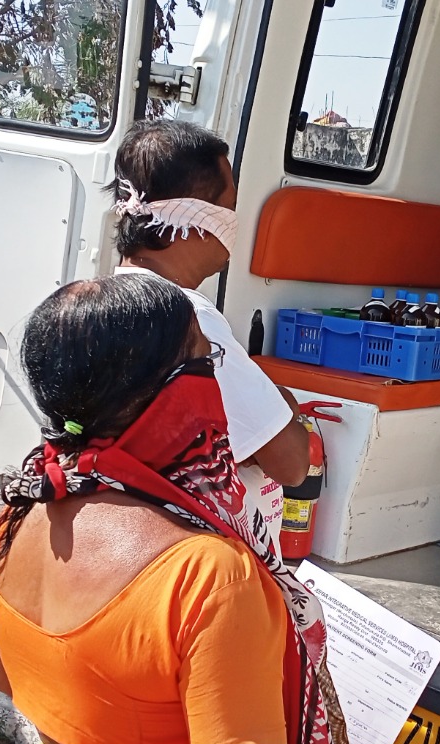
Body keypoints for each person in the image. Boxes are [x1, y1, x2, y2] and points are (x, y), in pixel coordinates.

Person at [0, 273, 417, 744]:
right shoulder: (204, 572)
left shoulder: (24, 508)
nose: (216, 381)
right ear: (170, 394)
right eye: (204, 362)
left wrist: (115, 734)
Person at [107, 119, 310, 547]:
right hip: (185, 546)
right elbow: (291, 463)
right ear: (196, 222)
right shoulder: (190, 317)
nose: (234, 223)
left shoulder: (102, 299)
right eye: (229, 208)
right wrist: (284, 403)